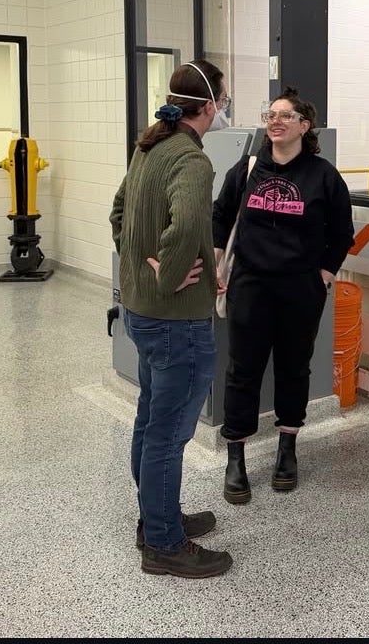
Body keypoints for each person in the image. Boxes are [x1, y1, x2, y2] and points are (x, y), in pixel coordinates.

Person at [109, 59, 233, 579]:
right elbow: (183, 229)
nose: (224, 108)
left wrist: (145, 267)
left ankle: (156, 517)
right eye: (223, 99)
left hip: (142, 313)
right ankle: (163, 543)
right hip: (176, 321)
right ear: (209, 105)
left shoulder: (149, 147)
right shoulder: (191, 159)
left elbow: (119, 213)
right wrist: (171, 273)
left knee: (151, 416)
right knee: (168, 431)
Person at [212, 88, 355, 503]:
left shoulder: (323, 176)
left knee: (294, 369)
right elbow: (221, 214)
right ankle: (236, 457)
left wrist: (323, 276)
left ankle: (287, 449)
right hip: (250, 286)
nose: (274, 122)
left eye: (285, 116)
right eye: (270, 115)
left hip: (299, 289)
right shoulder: (248, 168)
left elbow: (341, 233)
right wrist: (218, 262)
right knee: (243, 371)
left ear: (304, 126)